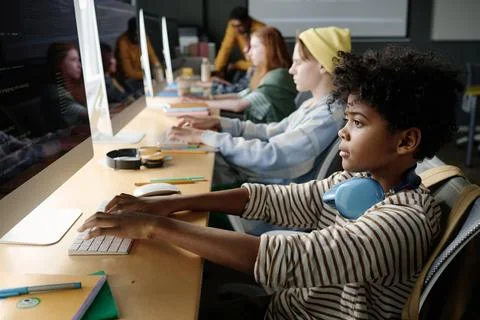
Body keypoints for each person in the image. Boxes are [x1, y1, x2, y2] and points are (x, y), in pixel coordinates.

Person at [79, 46, 463, 319]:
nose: (343, 133)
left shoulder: (403, 221)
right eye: (346, 120)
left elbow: (291, 259)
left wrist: (155, 225)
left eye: (358, 123)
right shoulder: (362, 180)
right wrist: (169, 204)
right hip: (287, 307)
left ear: (406, 140)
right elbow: (278, 199)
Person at [170, 27, 351, 189]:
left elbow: (270, 154)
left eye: (298, 62)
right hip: (264, 185)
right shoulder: (312, 104)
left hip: (271, 198)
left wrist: (206, 136)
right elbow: (271, 131)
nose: (291, 70)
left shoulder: (326, 117)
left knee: (193, 179)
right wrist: (219, 123)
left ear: (322, 64)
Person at [187, 27, 297, 124]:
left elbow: (239, 104)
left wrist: (203, 103)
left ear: (269, 49)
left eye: (254, 47)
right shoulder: (264, 73)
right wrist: (208, 98)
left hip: (271, 139)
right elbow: (241, 95)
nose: (249, 53)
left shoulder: (278, 76)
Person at [215, 6, 265, 79]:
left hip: (260, 69)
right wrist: (217, 70)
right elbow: (225, 48)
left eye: (239, 26)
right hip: (248, 67)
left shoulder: (262, 30)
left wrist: (238, 65)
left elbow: (262, 62)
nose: (236, 30)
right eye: (233, 26)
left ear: (247, 21)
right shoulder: (233, 26)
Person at [46, 43, 88, 127]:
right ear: (59, 64)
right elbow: (89, 116)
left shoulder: (74, 88)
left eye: (78, 60)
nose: (79, 65)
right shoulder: (54, 92)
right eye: (73, 60)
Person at [116, 17, 163, 93]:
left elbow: (153, 58)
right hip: (127, 80)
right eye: (136, 35)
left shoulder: (143, 38)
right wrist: (149, 75)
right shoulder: (122, 43)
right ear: (130, 33)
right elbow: (129, 72)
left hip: (141, 76)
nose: (139, 38)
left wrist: (159, 72)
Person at [100, 42, 139, 106]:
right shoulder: (105, 84)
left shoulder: (115, 78)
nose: (114, 61)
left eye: (113, 57)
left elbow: (131, 94)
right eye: (110, 58)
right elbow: (124, 99)